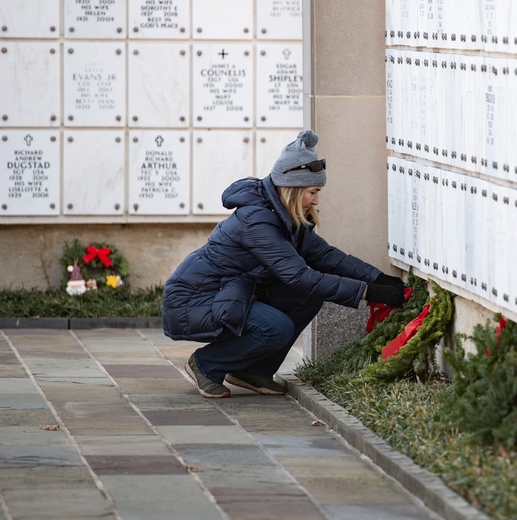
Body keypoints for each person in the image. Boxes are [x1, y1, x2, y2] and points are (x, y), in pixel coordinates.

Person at [162, 129, 406, 398]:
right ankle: (206, 365)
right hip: (196, 298)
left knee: (307, 297)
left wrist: (377, 277)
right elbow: (299, 276)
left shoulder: (284, 216)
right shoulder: (258, 220)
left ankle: (254, 371)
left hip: (233, 292)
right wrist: (366, 292)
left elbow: (324, 257)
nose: (316, 200)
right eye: (312, 192)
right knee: (275, 327)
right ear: (294, 189)